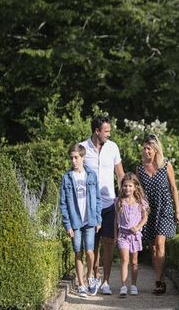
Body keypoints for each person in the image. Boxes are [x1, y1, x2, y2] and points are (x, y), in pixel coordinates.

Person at [80, 115, 125, 295]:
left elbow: (120, 174)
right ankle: (93, 277)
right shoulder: (82, 148)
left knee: (109, 242)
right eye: (106, 131)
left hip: (108, 204)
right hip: (89, 206)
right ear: (96, 131)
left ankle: (105, 282)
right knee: (92, 245)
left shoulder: (113, 147)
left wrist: (124, 198)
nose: (109, 134)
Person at [136, 134, 179, 294]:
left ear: (155, 149)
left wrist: (177, 210)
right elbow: (139, 192)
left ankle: (159, 281)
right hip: (149, 210)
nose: (146, 151)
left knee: (160, 243)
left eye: (148, 148)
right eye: (144, 148)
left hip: (165, 208)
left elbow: (173, 188)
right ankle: (160, 280)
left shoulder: (166, 165)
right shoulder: (140, 168)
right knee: (153, 247)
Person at [60, 144, 102, 297]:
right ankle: (81, 284)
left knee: (90, 252)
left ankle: (90, 277)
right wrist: (67, 224)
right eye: (71, 158)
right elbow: (63, 203)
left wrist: (98, 219)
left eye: (76, 157)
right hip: (75, 222)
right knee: (78, 252)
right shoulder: (67, 178)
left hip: (90, 220)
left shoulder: (91, 176)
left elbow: (98, 199)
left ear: (83, 158)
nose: (73, 161)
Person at [114, 172, 149, 297]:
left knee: (134, 261)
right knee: (124, 260)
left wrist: (138, 227)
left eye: (130, 186)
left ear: (135, 187)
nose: (127, 188)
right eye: (125, 186)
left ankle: (133, 285)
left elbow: (145, 218)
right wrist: (115, 235)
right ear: (122, 186)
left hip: (135, 236)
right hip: (123, 235)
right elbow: (116, 220)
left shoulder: (140, 202)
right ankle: (123, 286)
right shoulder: (119, 201)